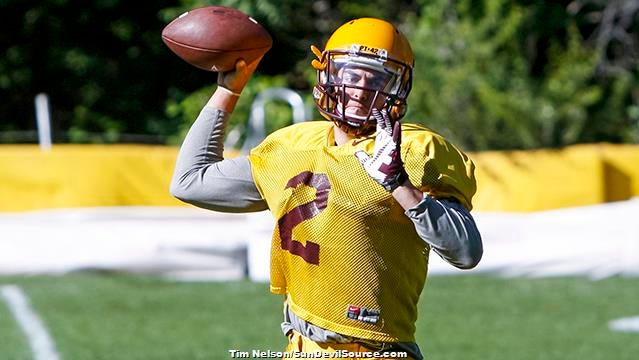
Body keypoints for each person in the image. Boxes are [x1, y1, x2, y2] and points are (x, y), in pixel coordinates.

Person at [170, 17, 483, 360]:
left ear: (398, 86)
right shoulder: (292, 146)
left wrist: (399, 183)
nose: (361, 88)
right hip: (299, 348)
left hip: (378, 351)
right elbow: (190, 182)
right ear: (328, 75)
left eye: (376, 78)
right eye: (352, 75)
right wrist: (229, 90)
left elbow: (466, 252)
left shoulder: (417, 151)